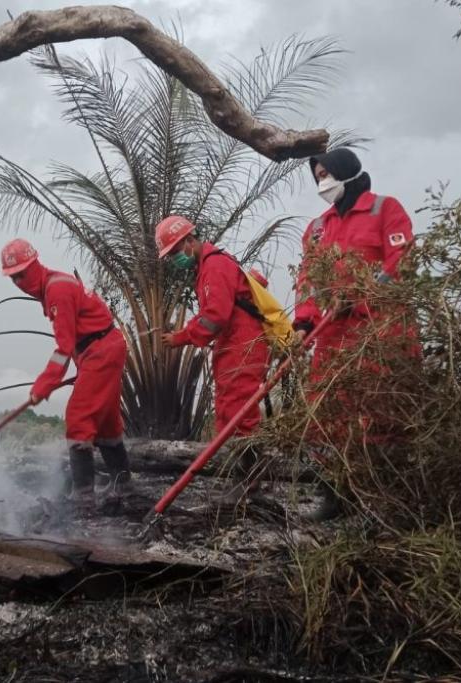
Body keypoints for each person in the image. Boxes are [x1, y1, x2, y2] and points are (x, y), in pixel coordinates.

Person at [293, 148, 417, 521]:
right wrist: (303, 324)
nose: (322, 183)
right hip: (332, 338)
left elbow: (401, 264)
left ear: (346, 172)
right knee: (326, 415)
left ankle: (385, 501)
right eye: (317, 178)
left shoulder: (385, 210)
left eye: (326, 175)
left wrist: (360, 297)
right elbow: (307, 282)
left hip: (379, 334)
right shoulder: (316, 229)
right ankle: (334, 497)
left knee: (380, 415)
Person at [155, 216, 291, 504]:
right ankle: (245, 479)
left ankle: (252, 483)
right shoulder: (208, 267)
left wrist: (180, 338)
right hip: (233, 344)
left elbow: (215, 316)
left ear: (190, 241)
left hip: (243, 344)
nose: (175, 260)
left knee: (240, 411)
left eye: (176, 252)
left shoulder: (215, 266)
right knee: (230, 411)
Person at [1, 238, 131, 513]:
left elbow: (64, 348)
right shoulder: (53, 286)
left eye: (22, 274)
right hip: (100, 350)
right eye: (13, 278)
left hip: (101, 351)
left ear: (35, 264)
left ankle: (83, 496)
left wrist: (43, 385)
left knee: (79, 417)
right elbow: (73, 344)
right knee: (106, 420)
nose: (19, 282)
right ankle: (123, 485)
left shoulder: (57, 290)